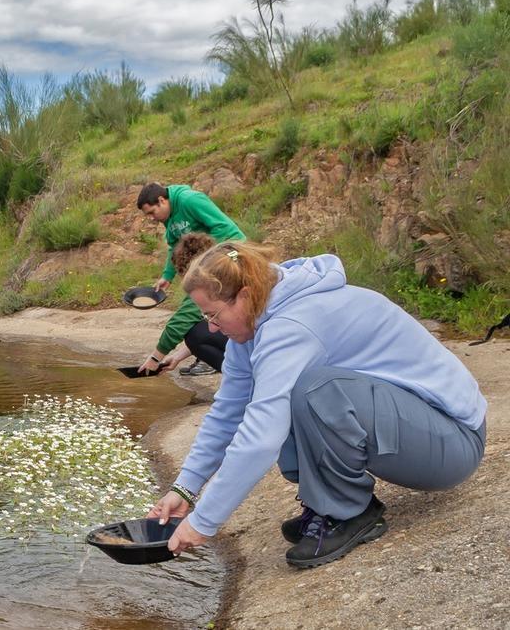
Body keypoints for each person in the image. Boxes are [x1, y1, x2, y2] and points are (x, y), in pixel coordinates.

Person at [148, 242, 487, 568]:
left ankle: (349, 511)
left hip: (453, 440)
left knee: (313, 389)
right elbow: (228, 413)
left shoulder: (292, 326)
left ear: (245, 296)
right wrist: (185, 488)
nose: (210, 327)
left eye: (213, 314)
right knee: (289, 393)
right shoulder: (253, 326)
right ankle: (329, 501)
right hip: (415, 427)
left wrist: (204, 522)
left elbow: (261, 437)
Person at [142, 232, 227, 376]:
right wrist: (177, 357)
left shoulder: (208, 281)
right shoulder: (221, 267)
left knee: (195, 332)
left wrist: (155, 358)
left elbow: (182, 321)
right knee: (201, 328)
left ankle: (241, 374)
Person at [136, 182, 245, 294]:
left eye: (152, 212)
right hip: (209, 260)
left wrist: (204, 257)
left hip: (233, 251)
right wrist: (167, 276)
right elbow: (175, 246)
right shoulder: (167, 215)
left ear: (161, 200)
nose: (151, 218)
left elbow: (224, 228)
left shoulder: (190, 200)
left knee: (203, 300)